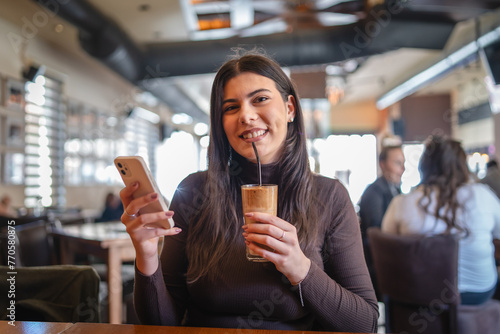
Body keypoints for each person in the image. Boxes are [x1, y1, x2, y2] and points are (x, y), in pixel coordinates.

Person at [119, 51, 378, 331]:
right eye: (231, 107)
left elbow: (364, 324)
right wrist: (146, 255)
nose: (246, 115)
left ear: (290, 108)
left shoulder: (330, 196)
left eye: (260, 99)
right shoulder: (193, 191)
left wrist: (299, 268)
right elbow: (160, 325)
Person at [382, 136, 500, 305]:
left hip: (420, 296)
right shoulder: (482, 195)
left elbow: (388, 248)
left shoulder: (402, 203)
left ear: (424, 166)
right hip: (478, 293)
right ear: (462, 165)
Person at [358, 144, 405, 298]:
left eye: (403, 163)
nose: (402, 169)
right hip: (377, 263)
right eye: (397, 163)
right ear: (383, 164)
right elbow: (376, 232)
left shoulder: (396, 189)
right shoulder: (374, 192)